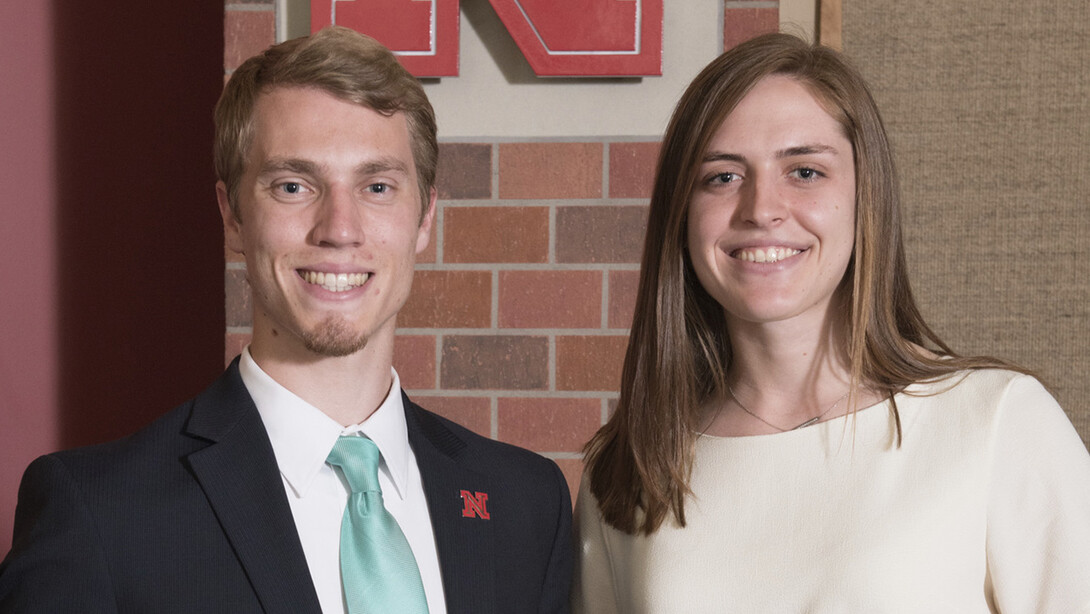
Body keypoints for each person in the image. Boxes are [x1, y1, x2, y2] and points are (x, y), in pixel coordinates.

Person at [0, 27, 572, 613]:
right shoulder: (101, 512)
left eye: (377, 186)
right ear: (233, 216)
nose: (339, 228)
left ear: (424, 217)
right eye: (294, 186)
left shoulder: (526, 504)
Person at [573, 32, 1090, 612]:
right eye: (722, 176)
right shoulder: (631, 469)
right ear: (681, 212)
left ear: (866, 194)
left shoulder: (996, 423)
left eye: (804, 171)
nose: (761, 208)